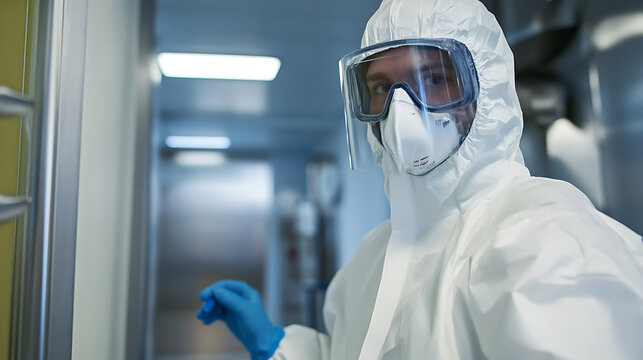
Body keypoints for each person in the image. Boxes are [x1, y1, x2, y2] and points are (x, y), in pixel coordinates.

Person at [197, 0, 643, 358]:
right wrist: (278, 346)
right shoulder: (375, 257)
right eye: (380, 87)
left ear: (485, 88)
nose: (402, 110)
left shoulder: (547, 243)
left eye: (432, 78)